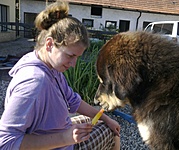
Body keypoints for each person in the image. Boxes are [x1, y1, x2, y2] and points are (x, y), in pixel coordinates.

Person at [0, 1, 120, 150]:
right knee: (112, 133)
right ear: (49, 44)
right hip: (60, 144)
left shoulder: (50, 67)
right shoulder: (34, 82)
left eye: (77, 57)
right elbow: (6, 142)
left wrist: (106, 118)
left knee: (104, 123)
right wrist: (65, 138)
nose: (74, 63)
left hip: (61, 133)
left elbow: (73, 101)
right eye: (70, 55)